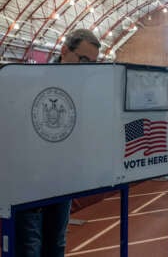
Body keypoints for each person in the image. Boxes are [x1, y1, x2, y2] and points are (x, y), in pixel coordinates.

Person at [15, 29, 101, 257]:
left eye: (92, 63)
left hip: (62, 181)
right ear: (64, 51)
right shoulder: (29, 83)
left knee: (56, 245)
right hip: (27, 184)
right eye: (83, 59)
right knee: (29, 248)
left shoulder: (85, 90)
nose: (86, 68)